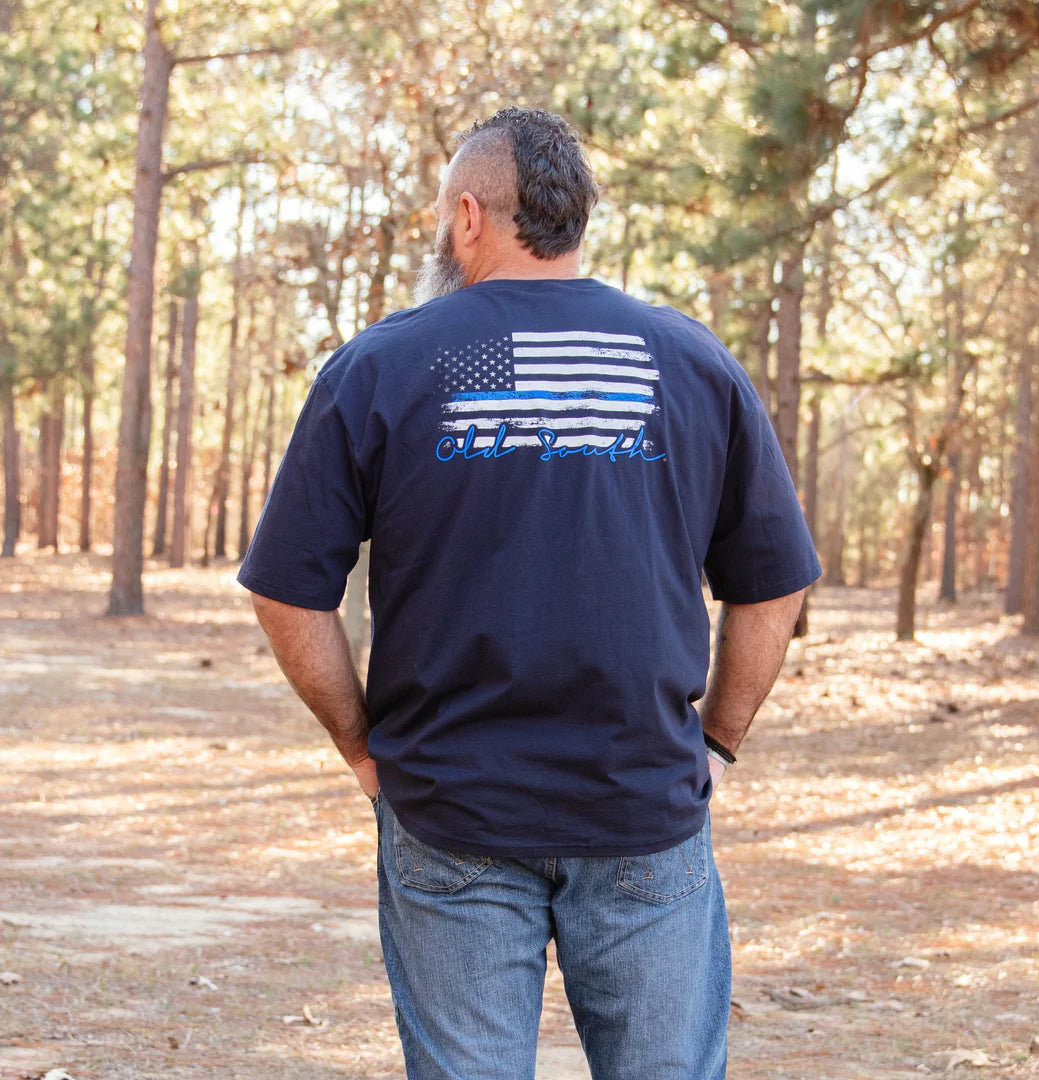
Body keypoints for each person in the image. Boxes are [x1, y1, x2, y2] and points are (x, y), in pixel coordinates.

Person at [239, 105, 821, 1080]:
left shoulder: (381, 365)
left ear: (470, 216)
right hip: (641, 804)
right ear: (576, 220)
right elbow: (772, 587)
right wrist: (716, 742)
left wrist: (358, 745)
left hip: (447, 807)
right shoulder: (691, 362)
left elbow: (289, 591)